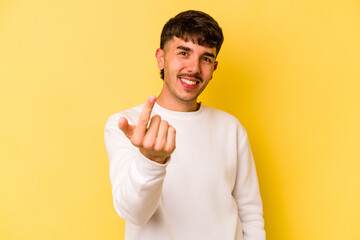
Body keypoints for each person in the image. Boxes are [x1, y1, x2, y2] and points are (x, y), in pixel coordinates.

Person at [104, 10, 265, 240]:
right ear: (161, 58)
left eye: (206, 58)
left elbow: (250, 214)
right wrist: (151, 162)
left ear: (214, 68)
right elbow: (133, 213)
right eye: (184, 53)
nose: (195, 68)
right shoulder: (125, 125)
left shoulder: (231, 128)